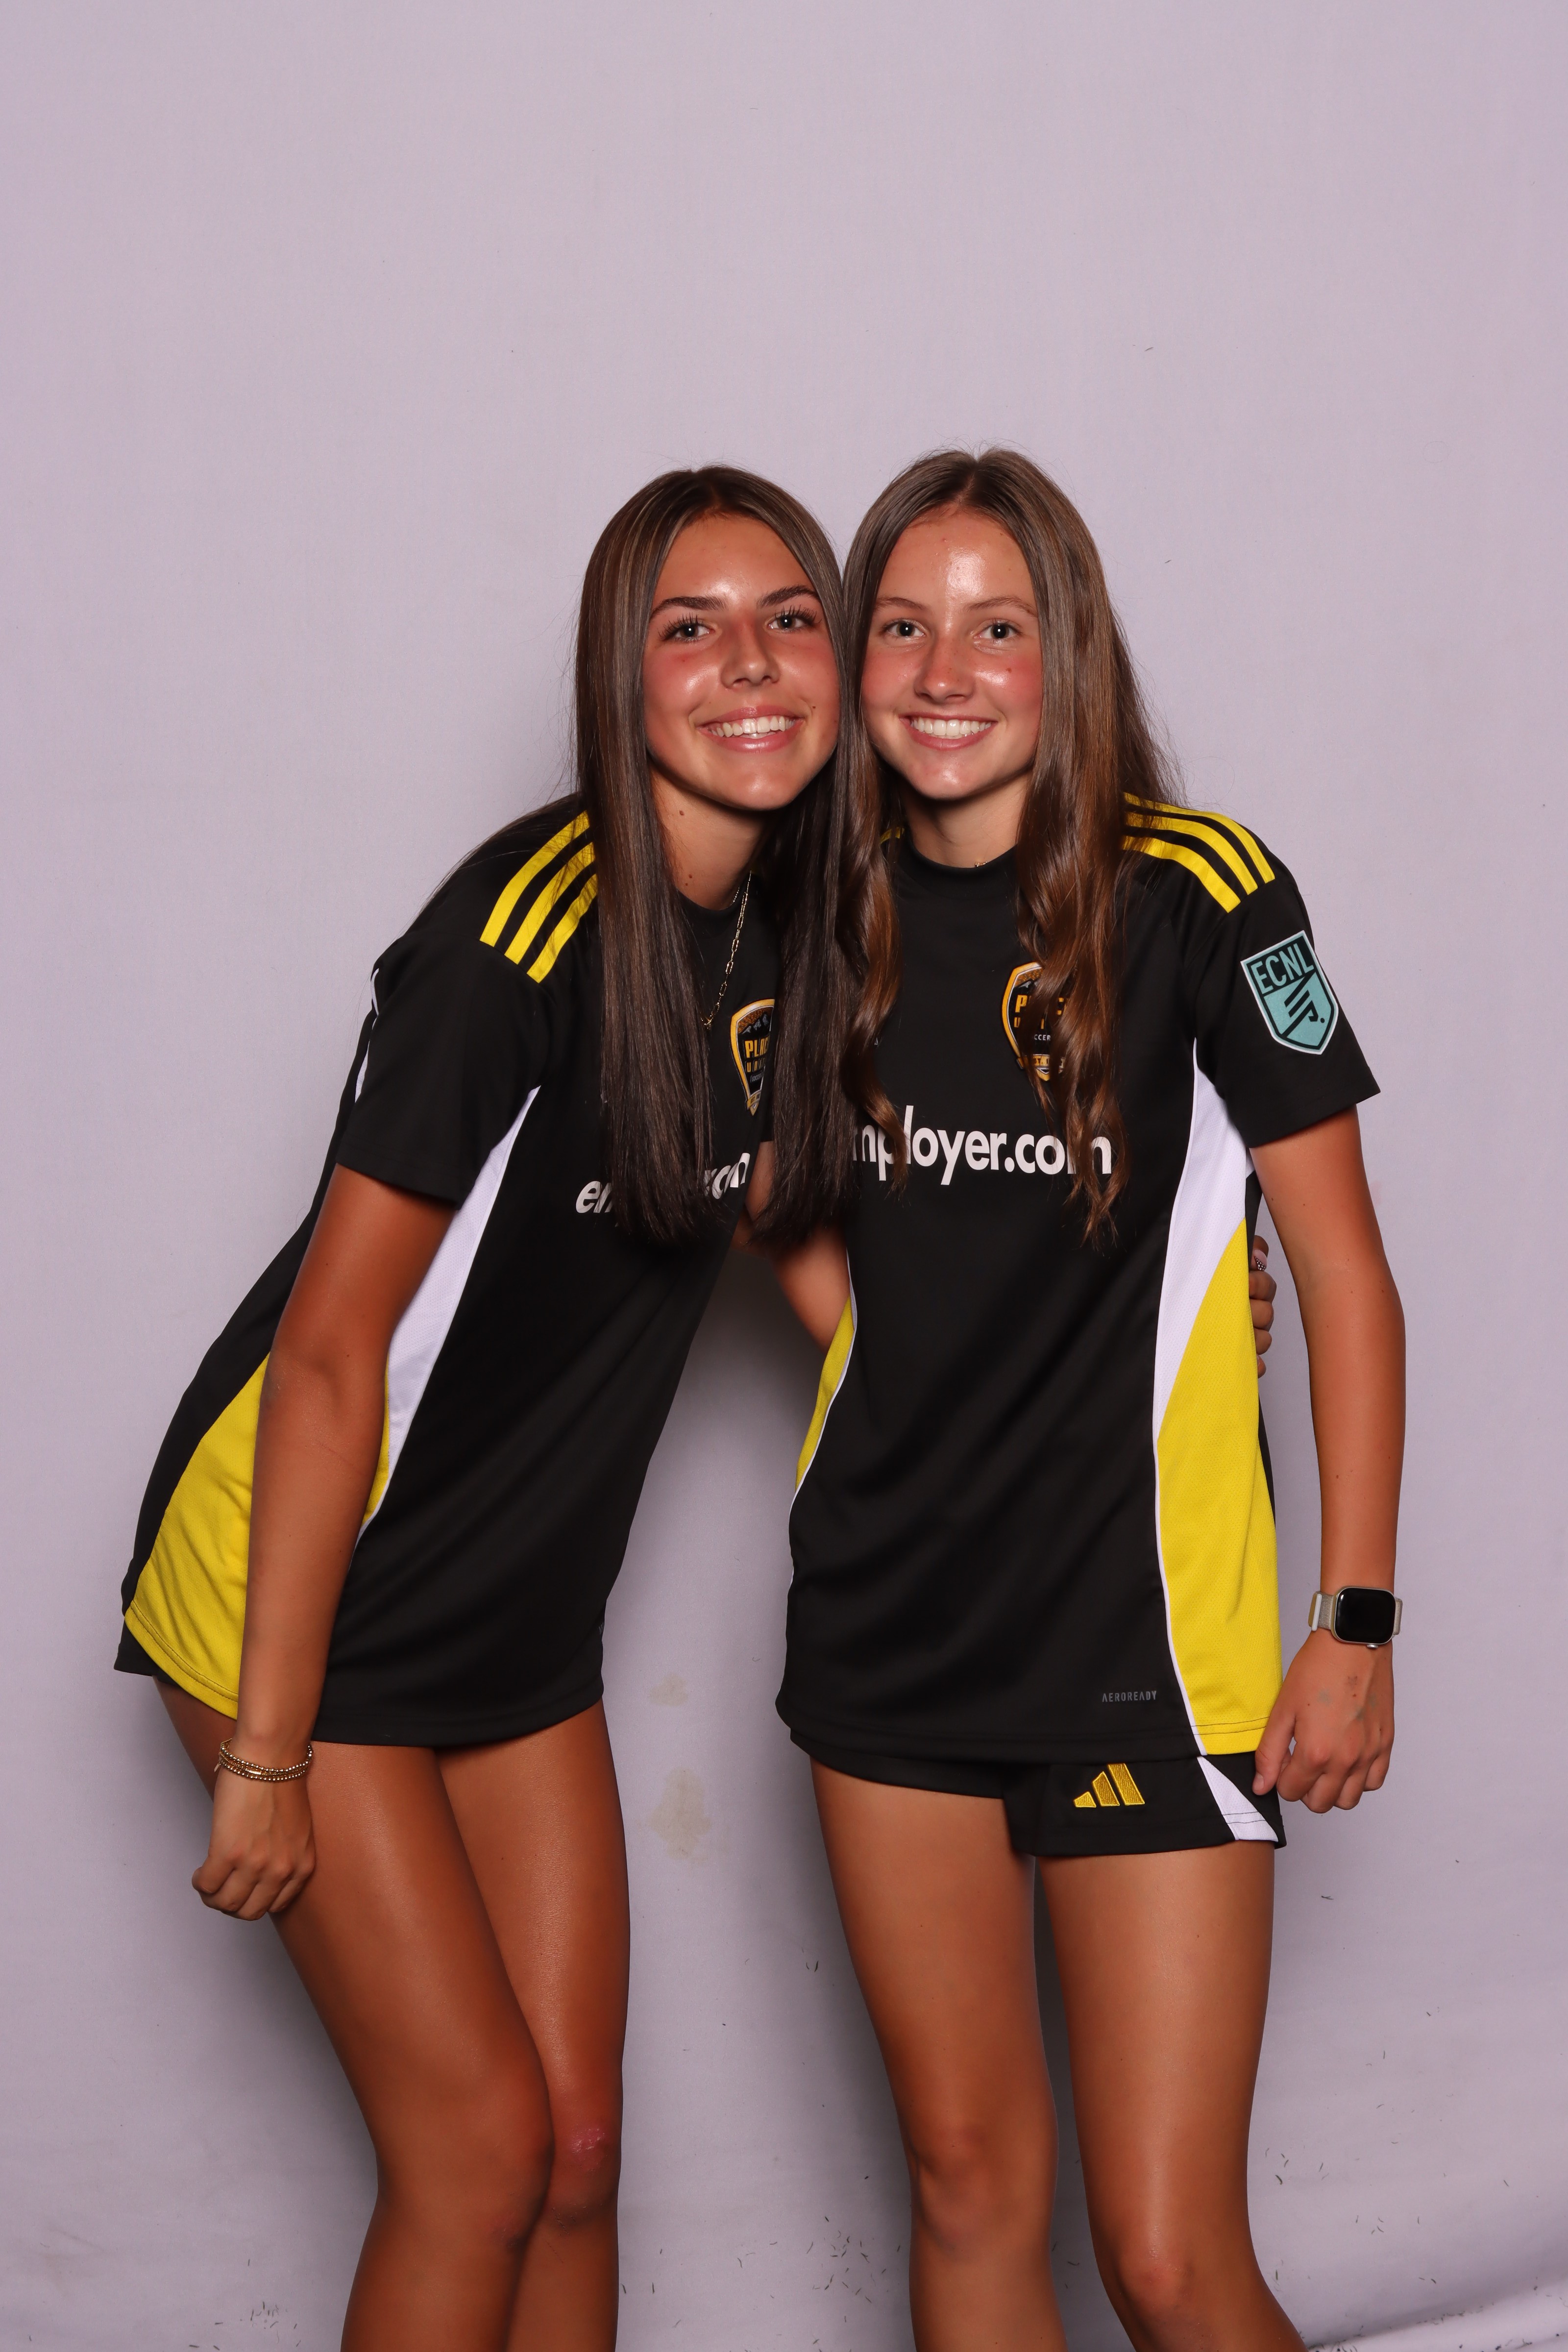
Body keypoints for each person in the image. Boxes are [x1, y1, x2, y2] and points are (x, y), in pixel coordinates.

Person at [115, 466, 874, 2352]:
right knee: (472, 2154)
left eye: (789, 618)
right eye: (689, 628)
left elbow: (820, 1261)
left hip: (515, 1617)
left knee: (578, 2145)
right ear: (622, 677)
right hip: (308, 1588)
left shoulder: (783, 936)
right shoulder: (515, 945)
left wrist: (1123, 1348)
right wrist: (267, 1751)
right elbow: (327, 1351)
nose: (749, 664)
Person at [770, 449, 1404, 2352]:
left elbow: (1346, 1279)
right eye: (902, 625)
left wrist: (1355, 1619)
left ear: (1071, 654)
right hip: (886, 1633)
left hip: (1147, 1640)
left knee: (1164, 2260)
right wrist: (904, 1356)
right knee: (970, 2192)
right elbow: (762, 1199)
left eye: (996, 627)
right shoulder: (815, 905)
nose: (943, 671)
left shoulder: (1206, 894)